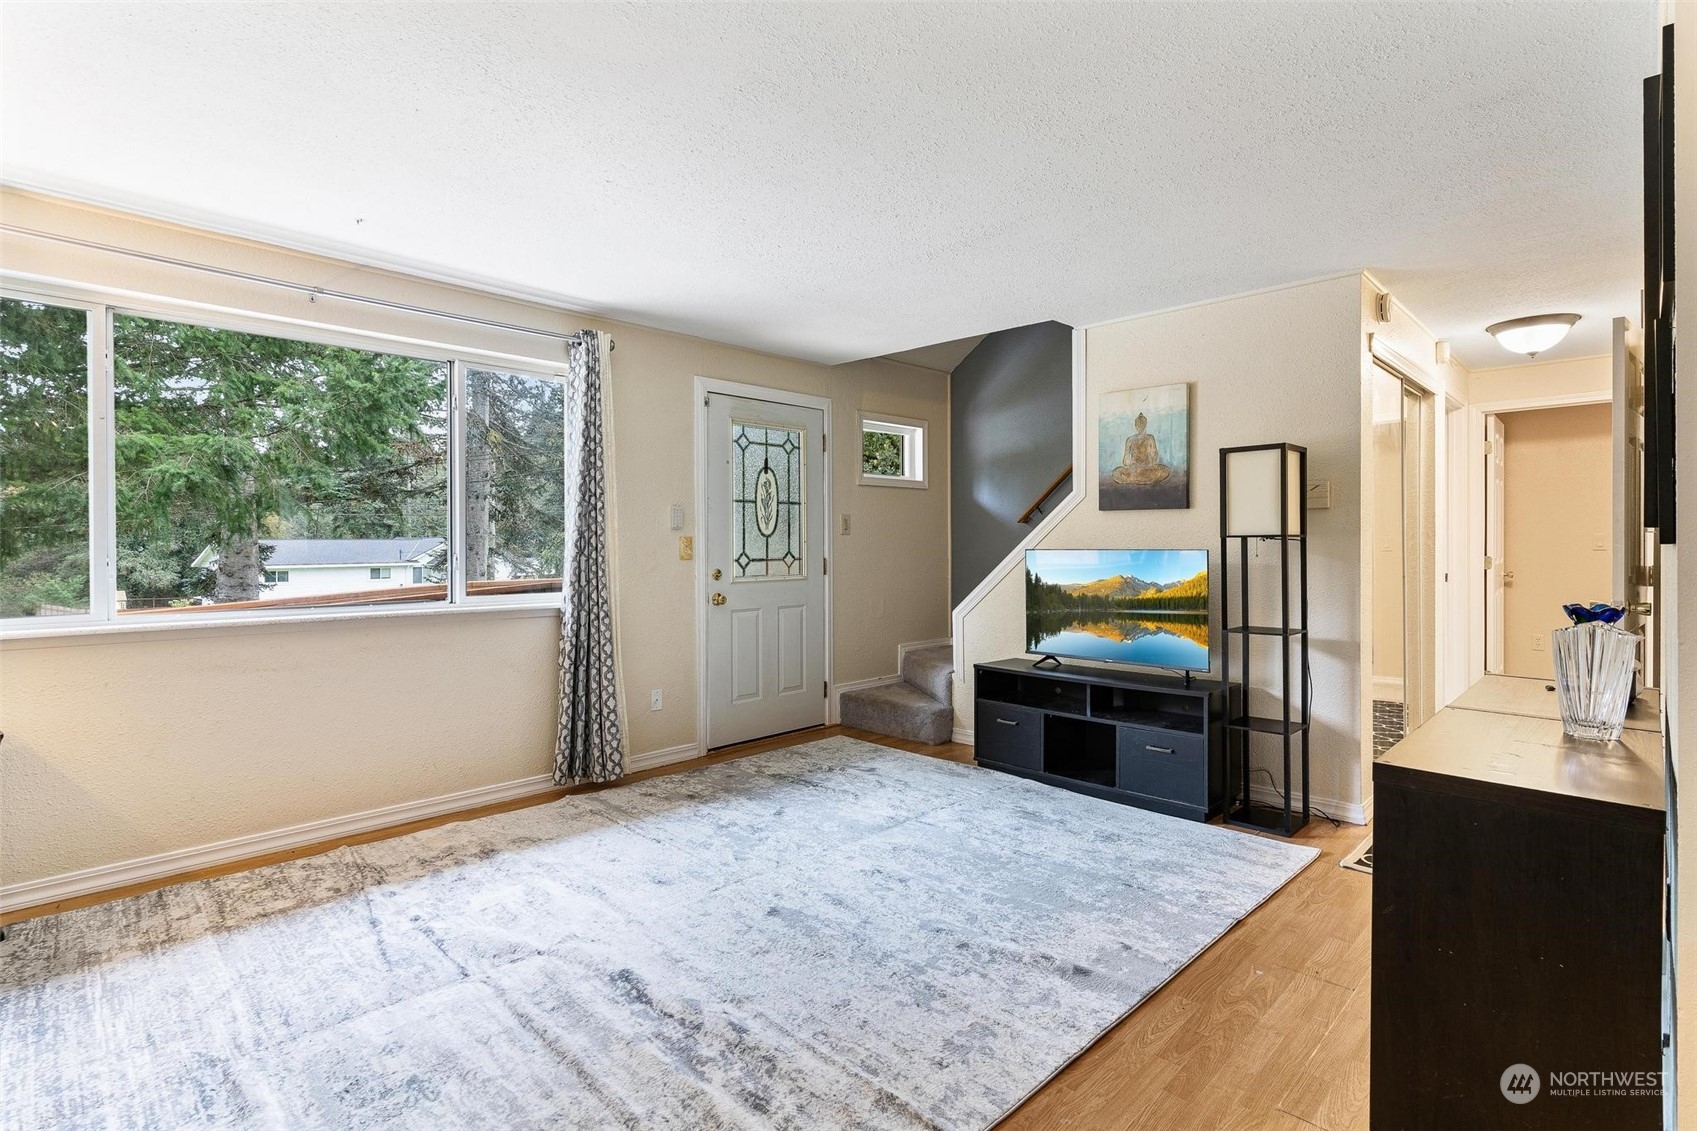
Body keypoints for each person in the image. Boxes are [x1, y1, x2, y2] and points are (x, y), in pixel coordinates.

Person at [1110, 412, 1171, 485]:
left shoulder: (1132, 439)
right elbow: (1155, 458)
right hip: (1144, 471)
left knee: (1117, 472)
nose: (1140, 426)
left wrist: (1135, 465)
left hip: (1137, 471)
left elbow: (1125, 462)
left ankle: (1135, 479)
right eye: (1140, 424)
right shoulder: (1149, 438)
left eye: (1140, 424)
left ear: (1136, 426)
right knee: (1164, 470)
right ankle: (1145, 478)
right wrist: (1145, 464)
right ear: (1145, 425)